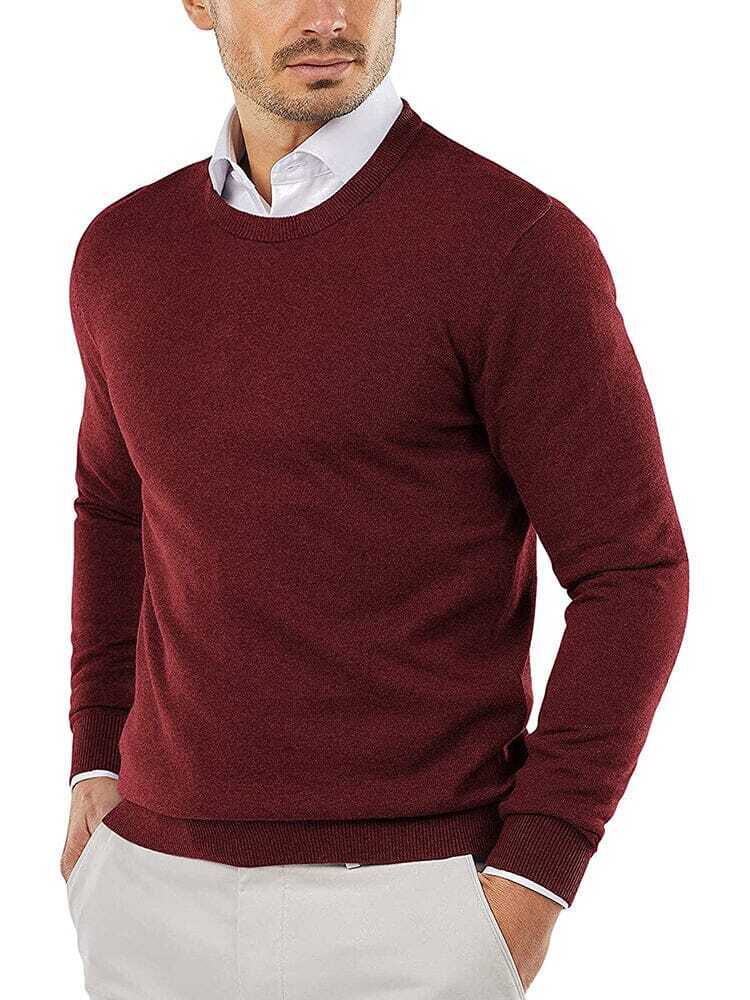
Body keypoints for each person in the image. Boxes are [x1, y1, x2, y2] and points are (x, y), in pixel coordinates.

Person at [60, 2, 689, 997]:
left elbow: (635, 571)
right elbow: (113, 507)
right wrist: (94, 756)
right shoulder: (124, 250)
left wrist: (535, 873)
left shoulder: (514, 245)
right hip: (149, 888)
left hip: (413, 903)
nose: (327, 15)